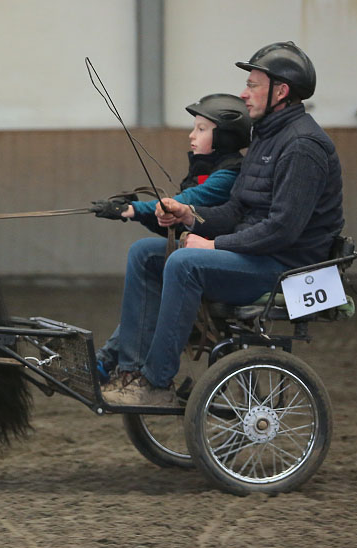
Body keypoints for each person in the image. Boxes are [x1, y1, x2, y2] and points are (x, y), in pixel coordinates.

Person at [101, 41, 344, 406]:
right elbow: (235, 211)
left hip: (287, 266)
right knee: (146, 253)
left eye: (253, 85)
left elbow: (283, 230)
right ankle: (130, 372)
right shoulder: (267, 137)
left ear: (281, 91)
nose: (244, 94)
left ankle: (156, 382)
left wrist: (214, 246)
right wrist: (190, 217)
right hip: (258, 255)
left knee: (185, 263)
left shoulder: (302, 146)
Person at [91, 94, 251, 381]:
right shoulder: (207, 170)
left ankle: (127, 368)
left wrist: (130, 209)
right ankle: (111, 361)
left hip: (220, 261)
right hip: (204, 252)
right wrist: (140, 212)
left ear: (224, 137)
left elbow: (190, 200)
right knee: (146, 256)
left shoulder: (228, 175)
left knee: (151, 263)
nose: (192, 135)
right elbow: (175, 227)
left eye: (201, 129)